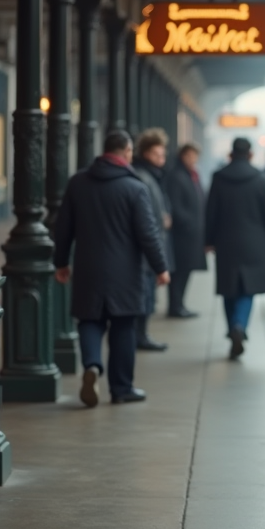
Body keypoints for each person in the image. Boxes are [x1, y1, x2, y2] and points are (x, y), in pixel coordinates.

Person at [54, 130, 170, 407]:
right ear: (127, 152)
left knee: (89, 320)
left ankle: (92, 365)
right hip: (125, 271)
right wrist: (160, 267)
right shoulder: (135, 187)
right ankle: (121, 388)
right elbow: (148, 234)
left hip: (87, 267)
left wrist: (60, 262)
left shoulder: (78, 182)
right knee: (123, 326)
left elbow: (63, 228)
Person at [204, 137, 265, 360]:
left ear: (231, 153)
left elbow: (211, 212)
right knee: (247, 289)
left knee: (229, 288)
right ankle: (239, 325)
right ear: (251, 154)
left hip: (226, 242)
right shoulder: (261, 178)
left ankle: (232, 327)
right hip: (255, 242)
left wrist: (208, 240)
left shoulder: (218, 177)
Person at [132, 128, 175, 351]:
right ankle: (141, 335)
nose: (162, 159)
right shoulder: (144, 176)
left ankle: (142, 333)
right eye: (158, 154)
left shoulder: (153, 176)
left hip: (153, 241)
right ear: (146, 153)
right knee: (145, 292)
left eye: (163, 155)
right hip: (147, 245)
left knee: (148, 292)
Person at [164, 142, 208, 317]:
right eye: (190, 156)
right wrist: (189, 222)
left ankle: (180, 304)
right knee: (179, 272)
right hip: (183, 234)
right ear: (183, 156)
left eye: (195, 156)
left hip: (192, 234)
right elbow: (176, 205)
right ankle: (175, 306)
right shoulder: (177, 176)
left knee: (186, 270)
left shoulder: (192, 175)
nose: (193, 159)